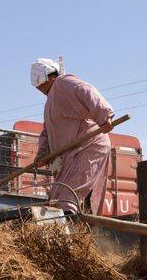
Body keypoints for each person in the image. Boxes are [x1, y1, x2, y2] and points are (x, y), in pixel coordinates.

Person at [30, 58, 114, 214]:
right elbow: (47, 132)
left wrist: (104, 114)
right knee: (56, 198)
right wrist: (43, 155)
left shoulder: (62, 83)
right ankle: (70, 224)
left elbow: (86, 90)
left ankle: (70, 225)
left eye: (38, 83)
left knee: (67, 196)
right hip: (71, 154)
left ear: (49, 77)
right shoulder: (50, 103)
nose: (37, 88)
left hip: (88, 146)